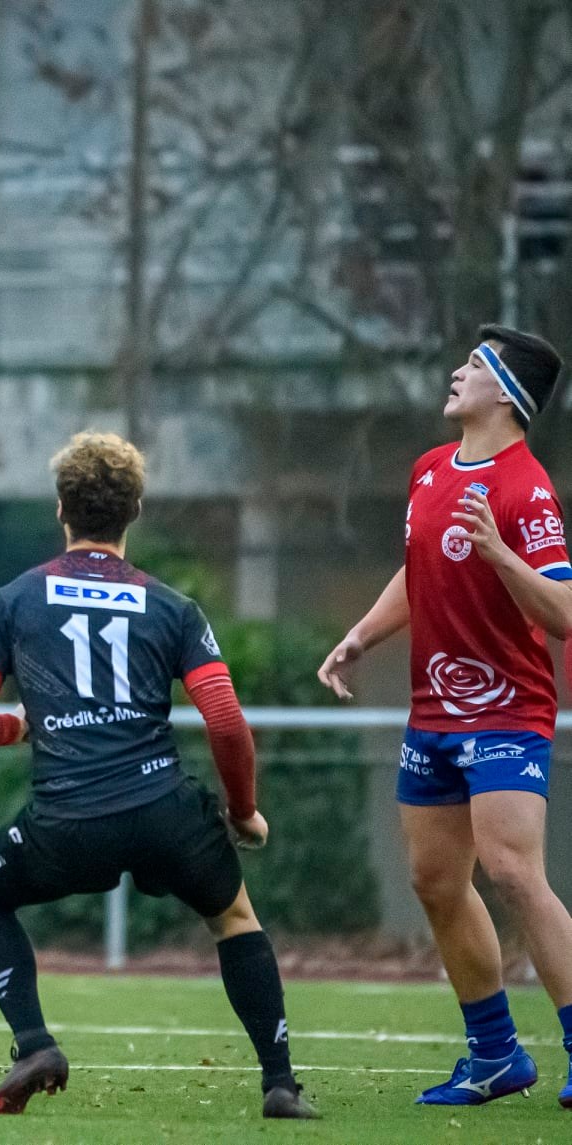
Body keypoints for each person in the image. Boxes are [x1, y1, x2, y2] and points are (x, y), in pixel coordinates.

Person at [0, 432, 315, 1120]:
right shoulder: (172, 606)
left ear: (61, 508)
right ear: (135, 509)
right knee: (233, 916)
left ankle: (34, 1042)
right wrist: (242, 811)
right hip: (163, 812)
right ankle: (281, 1082)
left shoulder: (16, 600)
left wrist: (20, 726)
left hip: (66, 822)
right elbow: (227, 723)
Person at [318, 325, 572, 1109]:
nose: (457, 373)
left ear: (507, 392)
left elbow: (562, 610)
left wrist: (501, 554)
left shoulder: (526, 488)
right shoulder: (430, 470)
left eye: (474, 365)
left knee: (513, 872)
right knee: (435, 879)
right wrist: (360, 634)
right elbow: (419, 565)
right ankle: (496, 1054)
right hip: (433, 713)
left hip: (507, 711)